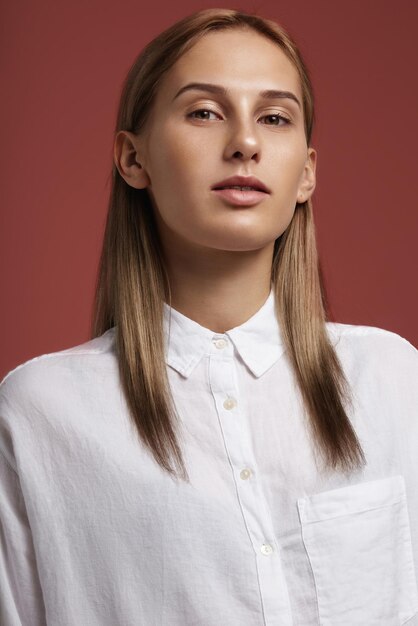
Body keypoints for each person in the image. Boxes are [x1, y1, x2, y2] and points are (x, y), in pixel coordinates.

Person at [1, 7, 417, 625]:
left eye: (274, 118)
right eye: (204, 111)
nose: (245, 142)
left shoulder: (393, 379)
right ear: (133, 159)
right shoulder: (40, 412)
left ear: (305, 172)